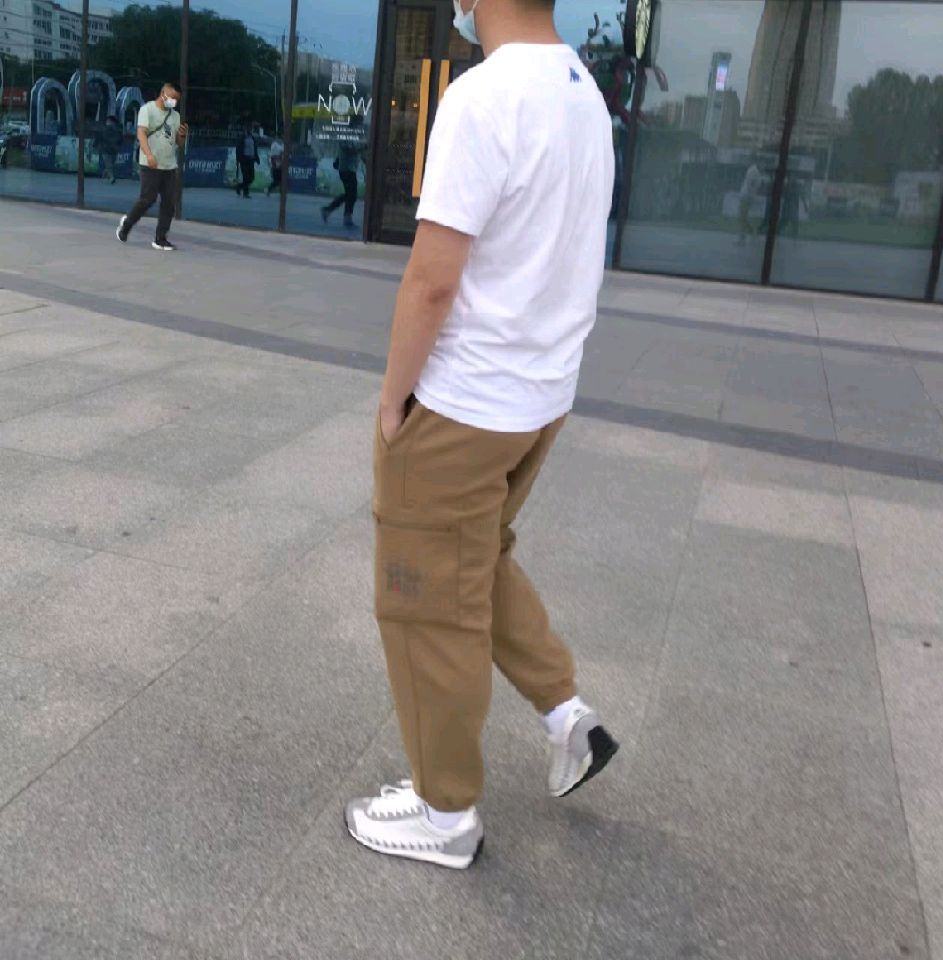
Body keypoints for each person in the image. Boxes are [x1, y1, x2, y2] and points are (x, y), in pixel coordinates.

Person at [344, 0, 618, 870]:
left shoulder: (484, 95)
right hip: (538, 398)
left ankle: (445, 811)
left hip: (464, 402)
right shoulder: (584, 95)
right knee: (476, 559)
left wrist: (394, 401)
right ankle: (566, 715)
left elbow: (432, 278)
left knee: (427, 602)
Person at [115, 82, 187, 252]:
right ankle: (127, 224)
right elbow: (141, 133)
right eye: (172, 98)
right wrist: (148, 154)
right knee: (147, 199)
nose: (174, 102)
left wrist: (183, 135)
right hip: (150, 163)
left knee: (169, 203)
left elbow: (179, 143)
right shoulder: (147, 110)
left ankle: (160, 238)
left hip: (169, 165)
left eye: (177, 100)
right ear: (163, 94)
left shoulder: (175, 116)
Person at [321, 137, 361, 228]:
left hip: (349, 169)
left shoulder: (351, 139)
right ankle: (343, 216)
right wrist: (364, 147)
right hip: (347, 170)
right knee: (351, 194)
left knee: (350, 194)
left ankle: (329, 210)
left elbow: (350, 151)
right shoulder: (346, 138)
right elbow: (349, 150)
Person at [737, 156, 763, 245]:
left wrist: (752, 196)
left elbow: (753, 185)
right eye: (762, 163)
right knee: (742, 217)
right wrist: (752, 196)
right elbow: (749, 184)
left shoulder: (756, 172)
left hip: (748, 197)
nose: (763, 165)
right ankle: (747, 235)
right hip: (746, 196)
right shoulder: (753, 171)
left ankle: (745, 236)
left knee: (743, 217)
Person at [235, 121, 259, 198]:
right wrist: (238, 159)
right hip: (244, 159)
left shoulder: (252, 138)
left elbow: (254, 149)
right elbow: (238, 149)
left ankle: (239, 187)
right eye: (249, 128)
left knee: (252, 177)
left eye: (251, 128)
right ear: (246, 129)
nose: (250, 130)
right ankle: (246, 193)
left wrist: (257, 158)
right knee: (246, 177)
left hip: (251, 160)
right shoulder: (242, 137)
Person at [100, 115, 122, 184]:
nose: (108, 122)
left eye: (109, 121)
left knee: (110, 164)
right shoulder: (107, 129)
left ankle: (106, 173)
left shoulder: (114, 130)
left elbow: (119, 138)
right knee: (109, 164)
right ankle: (111, 178)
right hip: (108, 149)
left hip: (110, 149)